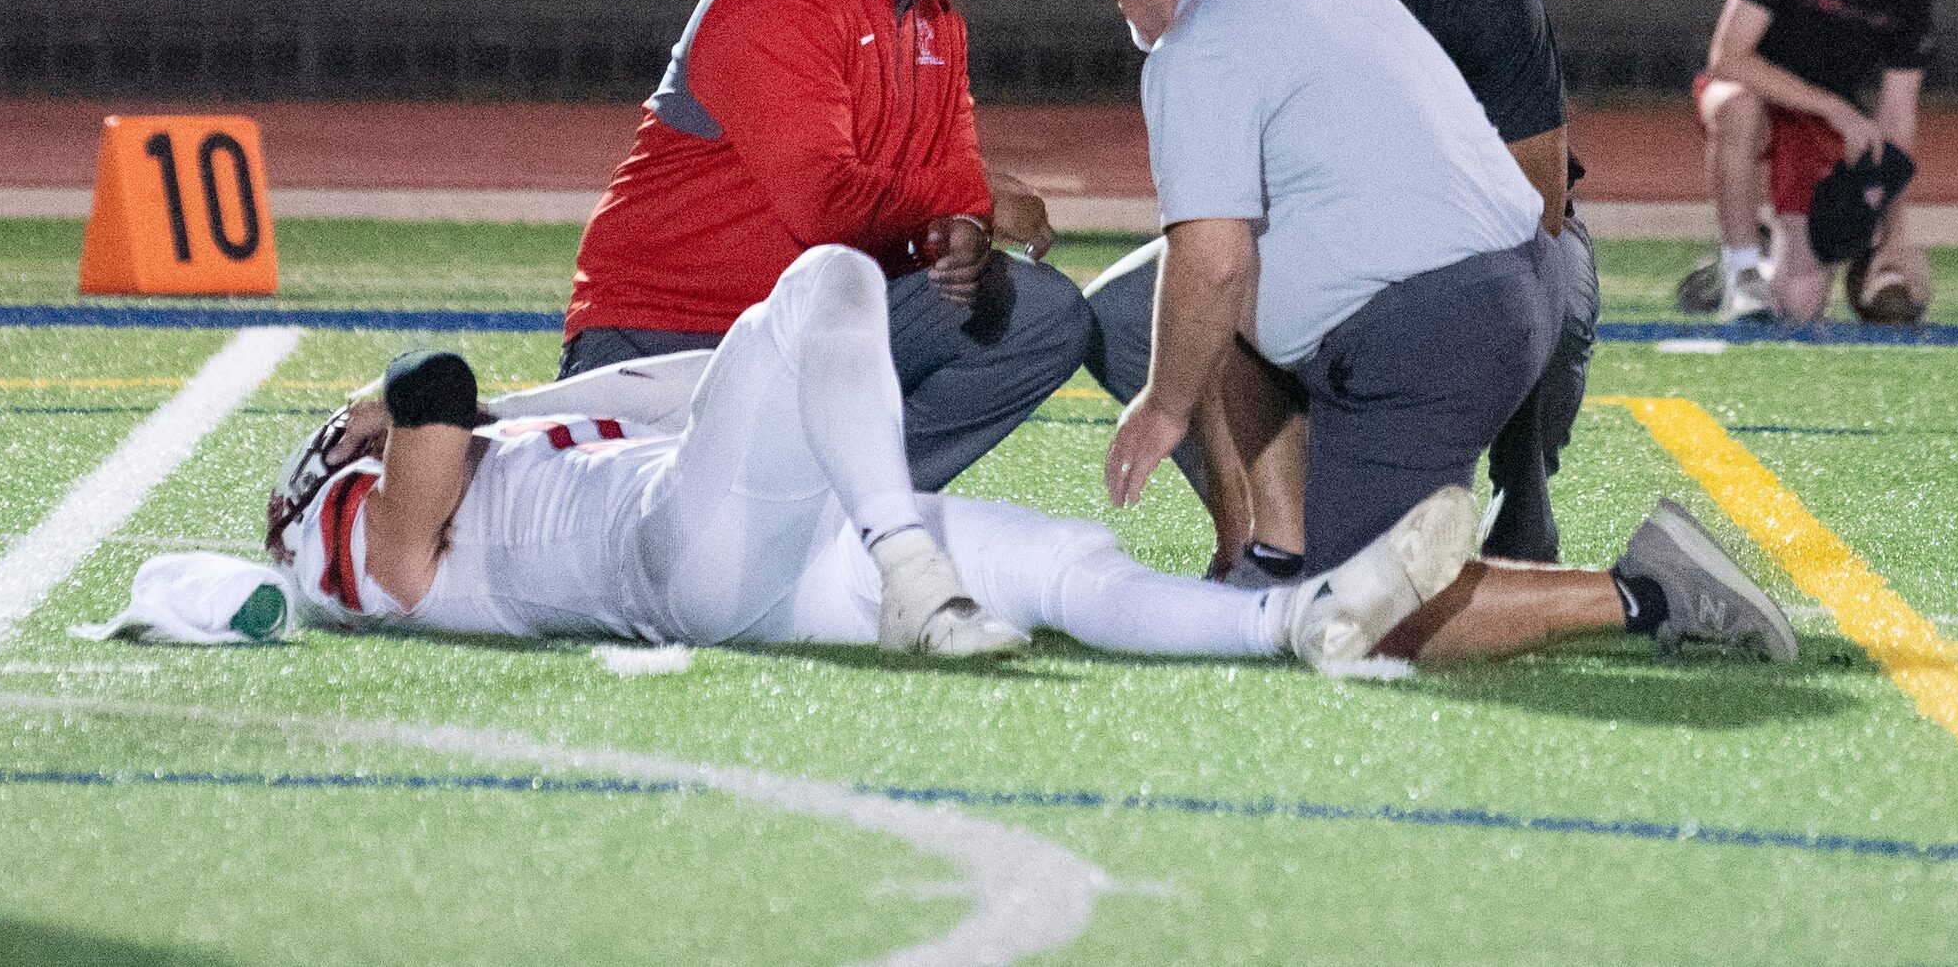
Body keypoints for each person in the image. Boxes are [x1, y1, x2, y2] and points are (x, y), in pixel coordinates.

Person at [1086, 0, 1793, 662]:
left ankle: (1652, 589)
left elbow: (1213, 261)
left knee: (1365, 622)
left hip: (1435, 319)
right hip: (1499, 283)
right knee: (1212, 293)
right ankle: (1284, 551)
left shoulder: (1199, 43)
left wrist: (1163, 406)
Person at [269, 246, 1479, 675]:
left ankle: (1293, 623)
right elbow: (420, 489)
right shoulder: (355, 522)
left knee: (1056, 562)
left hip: (762, 563)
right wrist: (392, 404)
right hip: (666, 557)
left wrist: (495, 405)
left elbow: (655, 387)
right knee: (828, 279)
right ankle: (907, 559)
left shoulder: (500, 446)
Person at [565, 0, 1098, 493]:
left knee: (1041, 315)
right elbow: (827, 204)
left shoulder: (935, 17)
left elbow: (939, 182)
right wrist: (979, 198)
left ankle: (858, 511)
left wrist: (963, 225)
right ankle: (801, 502)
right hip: (669, 341)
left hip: (798, 334)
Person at [1087, 0, 1600, 568]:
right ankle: (1268, 535)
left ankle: (1538, 506)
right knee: (1132, 317)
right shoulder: (1244, 22)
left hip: (1477, 251)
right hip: (1318, 237)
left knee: (1544, 280)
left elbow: (1540, 207)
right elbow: (1220, 242)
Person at [1683, 0, 1935, 323]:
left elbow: (1899, 116)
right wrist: (1835, 108)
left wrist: (1895, 231)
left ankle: (1762, 256)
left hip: (1816, 129)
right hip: (1756, 97)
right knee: (1739, 106)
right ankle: (1741, 270)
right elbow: (1727, 58)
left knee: (1799, 308)